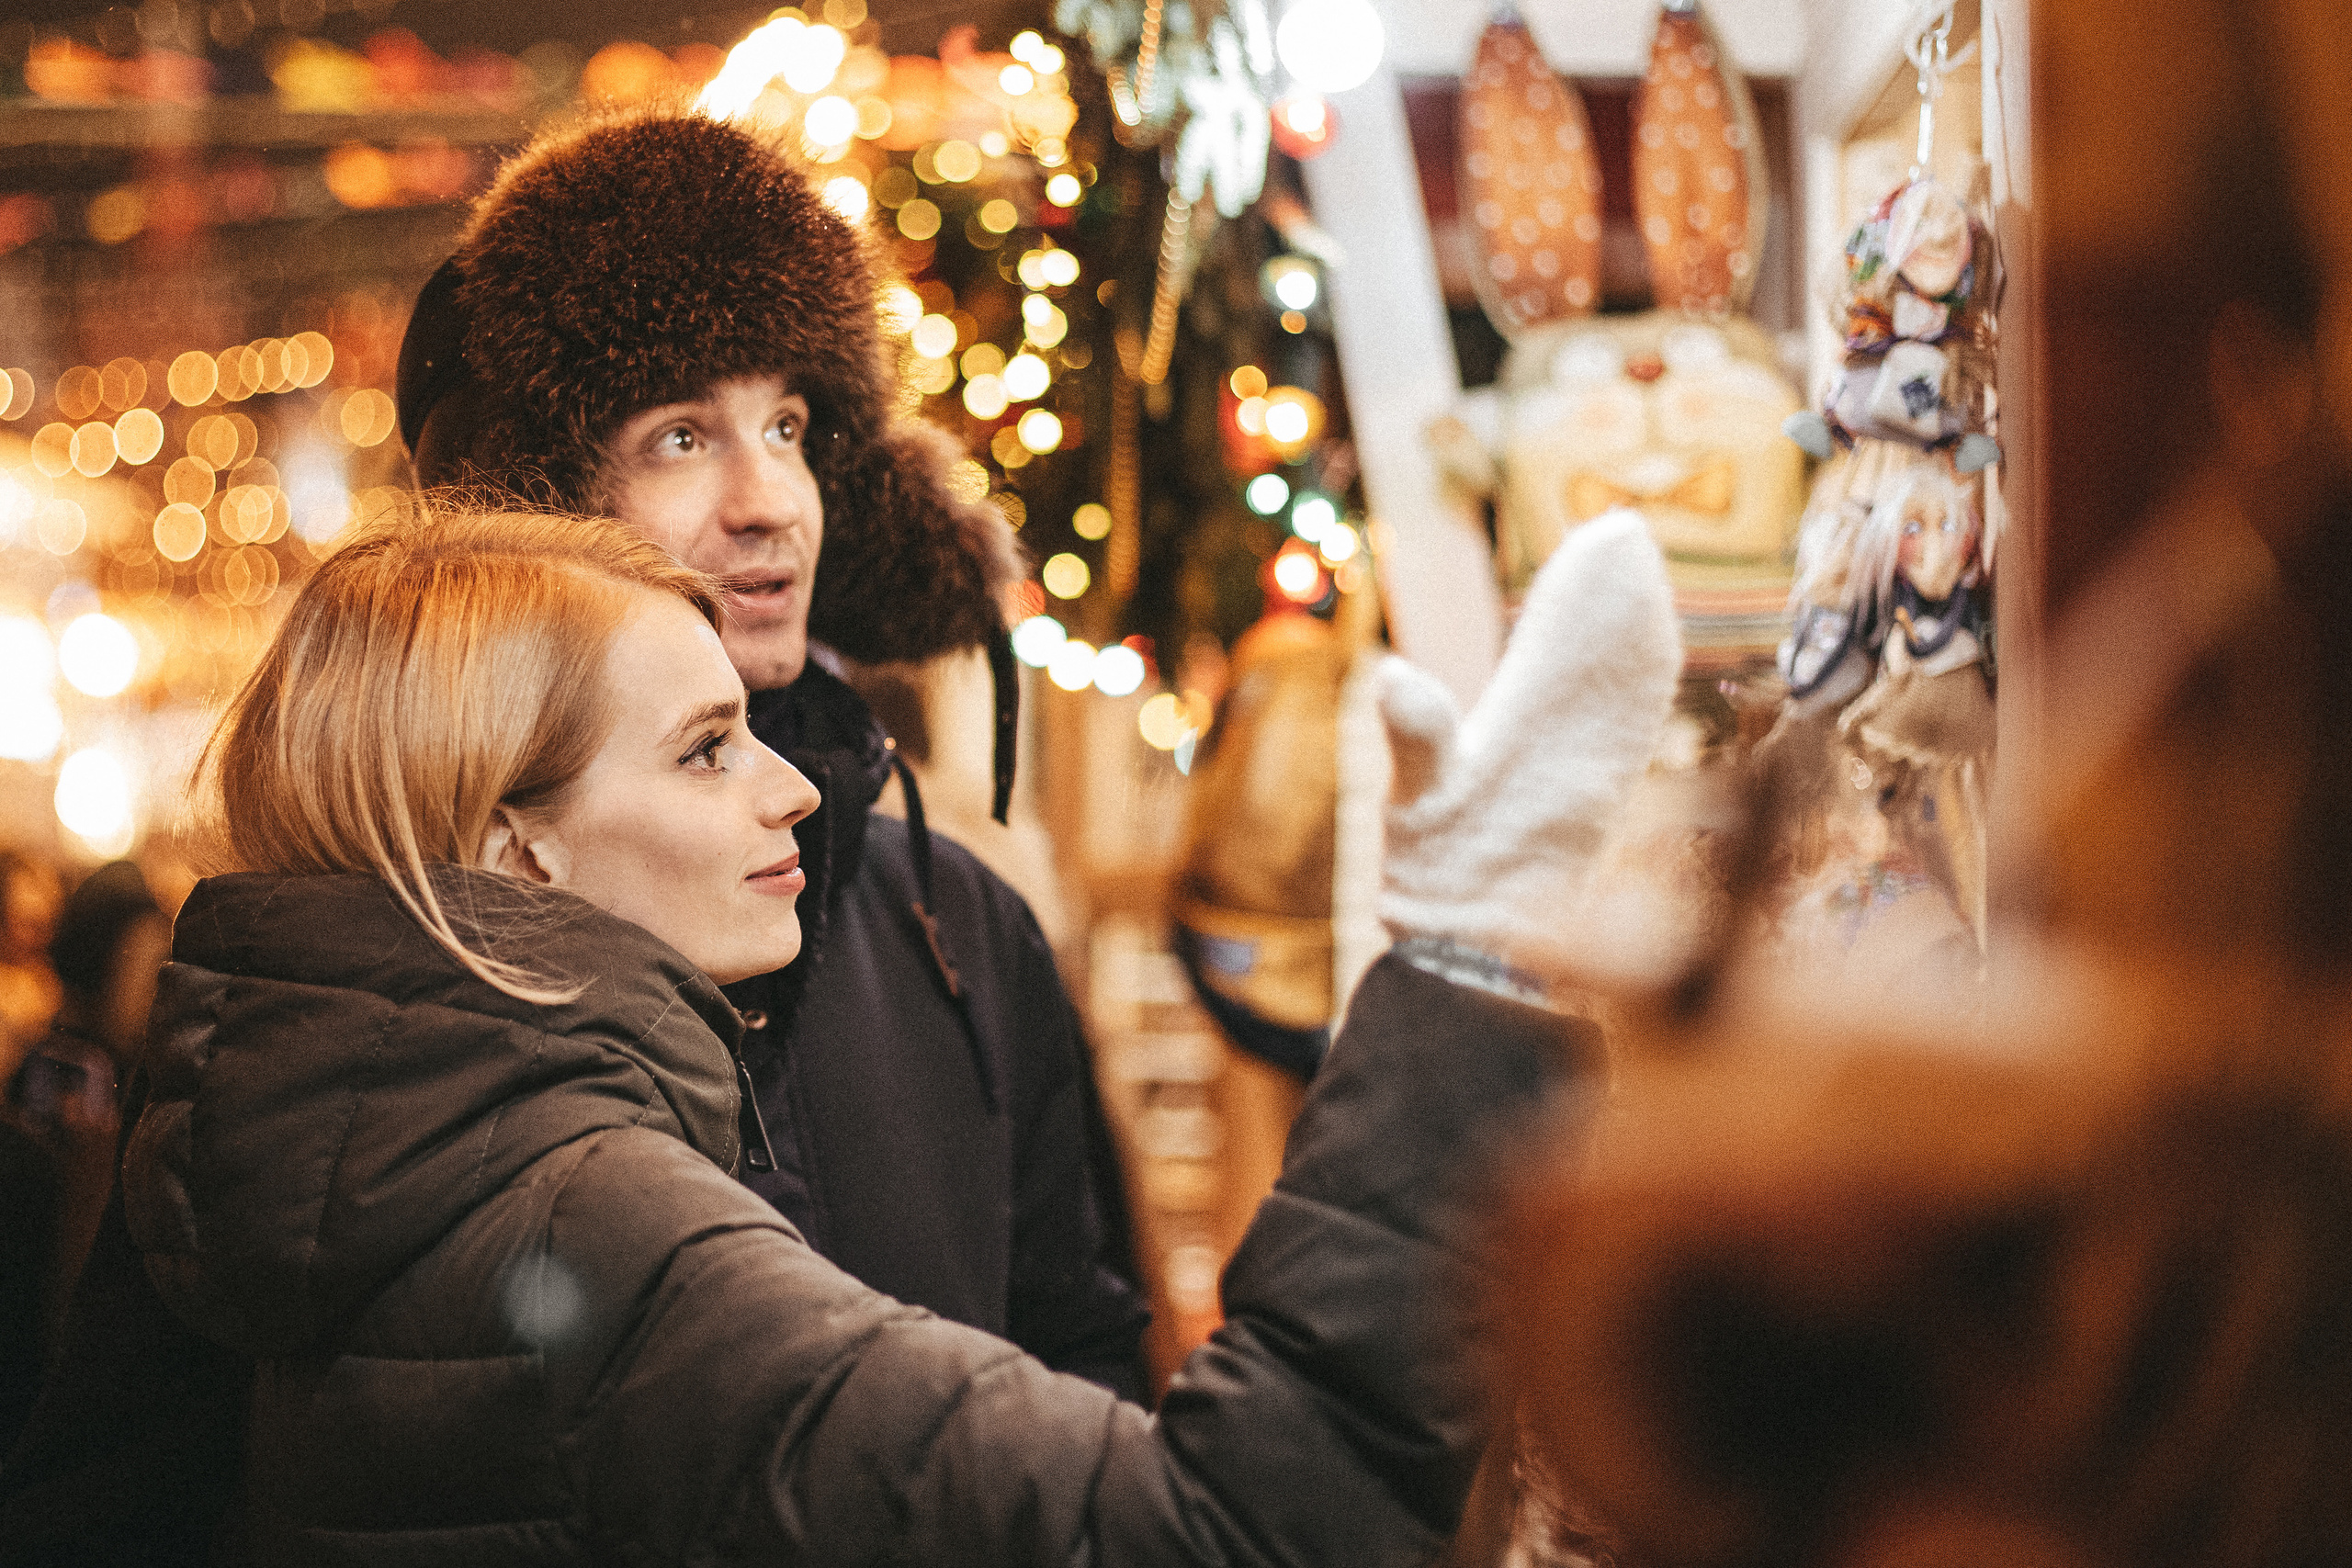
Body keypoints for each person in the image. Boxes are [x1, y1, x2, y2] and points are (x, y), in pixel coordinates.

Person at [1, 500, 1683, 1563]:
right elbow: (1241, 1529)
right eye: (705, 748)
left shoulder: (295, 1158)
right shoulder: (596, 1238)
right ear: (513, 846)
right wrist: (1470, 961)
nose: (794, 781)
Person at [392, 104, 1147, 1393]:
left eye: (790, 426)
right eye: (683, 436)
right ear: (526, 508)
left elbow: (1085, 1361)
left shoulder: (959, 925)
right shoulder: (386, 958)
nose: (768, 503)